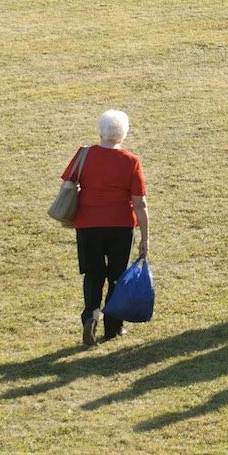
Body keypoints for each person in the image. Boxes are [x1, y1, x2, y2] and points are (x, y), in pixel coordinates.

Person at [60, 109, 149, 345]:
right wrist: (145, 237)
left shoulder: (84, 154)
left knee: (93, 273)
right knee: (117, 276)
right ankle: (113, 325)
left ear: (101, 131)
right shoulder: (131, 161)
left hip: (88, 224)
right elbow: (140, 203)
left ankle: (90, 314)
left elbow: (68, 182)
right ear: (124, 133)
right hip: (120, 225)